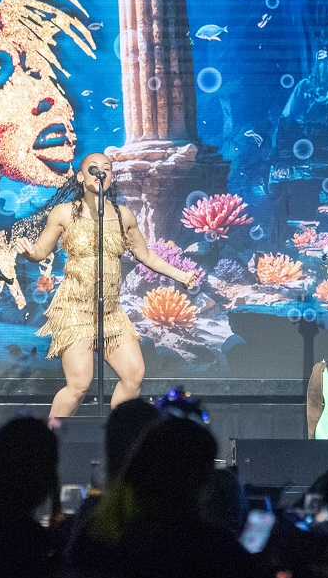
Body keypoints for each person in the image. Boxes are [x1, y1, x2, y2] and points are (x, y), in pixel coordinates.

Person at [14, 153, 198, 417]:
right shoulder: (64, 213)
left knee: (134, 374)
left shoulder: (124, 216)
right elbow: (41, 250)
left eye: (107, 169)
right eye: (93, 168)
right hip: (75, 310)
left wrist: (181, 275)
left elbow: (145, 255)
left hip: (110, 312)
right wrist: (30, 252)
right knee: (79, 385)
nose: (100, 172)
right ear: (80, 177)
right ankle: (50, 437)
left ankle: (118, 433)